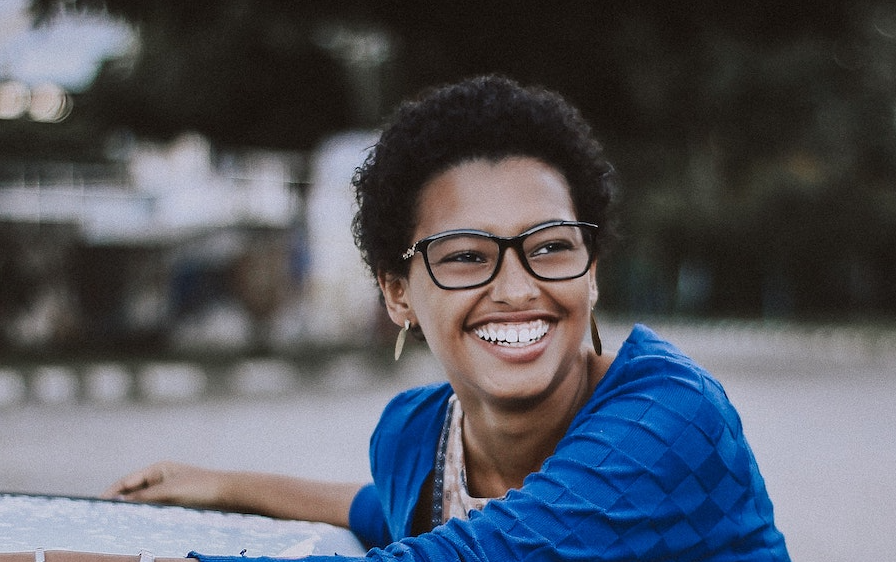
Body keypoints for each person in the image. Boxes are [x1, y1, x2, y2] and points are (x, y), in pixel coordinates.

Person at [5, 75, 790, 561]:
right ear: (397, 292)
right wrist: (225, 484)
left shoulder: (669, 421)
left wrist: (53, 557)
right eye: (464, 255)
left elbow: (482, 550)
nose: (517, 288)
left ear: (592, 267)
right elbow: (389, 507)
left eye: (550, 247)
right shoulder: (417, 435)